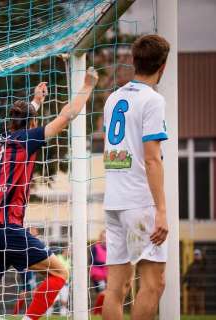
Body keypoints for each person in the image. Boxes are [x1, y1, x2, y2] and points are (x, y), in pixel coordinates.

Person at [0, 67, 98, 320]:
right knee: (60, 273)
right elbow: (67, 115)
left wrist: (36, 102)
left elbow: (24, 120)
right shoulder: (27, 140)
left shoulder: (1, 141)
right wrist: (87, 86)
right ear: (30, 124)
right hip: (9, 230)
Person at [101, 34, 171, 320]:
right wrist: (162, 210)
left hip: (114, 201)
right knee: (154, 284)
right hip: (138, 202)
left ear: (133, 61)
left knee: (116, 288)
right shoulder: (153, 100)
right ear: (162, 66)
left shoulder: (113, 98)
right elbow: (152, 158)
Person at [183, 249, 206, 315]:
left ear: (200, 256)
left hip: (200, 289)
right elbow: (186, 276)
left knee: (200, 305)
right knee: (190, 305)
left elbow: (205, 262)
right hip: (191, 288)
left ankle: (200, 317)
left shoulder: (202, 265)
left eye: (197, 255)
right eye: (195, 255)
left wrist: (203, 255)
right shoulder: (191, 266)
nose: (196, 256)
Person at [89, 231, 107, 315]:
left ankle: (99, 311)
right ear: (100, 238)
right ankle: (96, 312)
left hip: (107, 275)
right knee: (102, 291)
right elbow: (93, 261)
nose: (105, 240)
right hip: (97, 274)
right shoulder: (95, 248)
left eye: (106, 238)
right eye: (104, 238)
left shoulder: (109, 249)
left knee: (105, 293)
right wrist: (105, 263)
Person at [54, 247, 71, 316]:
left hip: (65, 283)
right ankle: (47, 314)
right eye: (69, 251)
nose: (70, 253)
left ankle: (63, 315)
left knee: (64, 301)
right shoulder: (58, 258)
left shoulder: (69, 260)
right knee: (53, 301)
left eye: (71, 251)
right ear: (65, 251)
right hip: (56, 281)